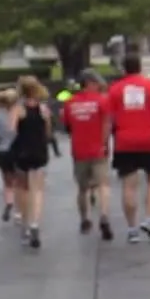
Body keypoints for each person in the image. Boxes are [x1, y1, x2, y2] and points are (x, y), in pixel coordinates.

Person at [105, 54, 150, 244]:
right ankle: (149, 219)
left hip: (124, 140)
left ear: (123, 69)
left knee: (129, 185)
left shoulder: (115, 89)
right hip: (148, 139)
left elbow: (109, 119)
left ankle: (132, 229)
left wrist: (105, 142)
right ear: (140, 67)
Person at [62, 71, 115, 240]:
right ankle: (104, 216)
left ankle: (85, 219)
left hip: (79, 151)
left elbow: (67, 126)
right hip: (98, 149)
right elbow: (107, 124)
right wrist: (104, 143)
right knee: (103, 185)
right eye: (97, 82)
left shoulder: (70, 103)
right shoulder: (102, 101)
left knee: (82, 188)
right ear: (90, 83)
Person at [8, 77, 54, 248]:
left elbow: (11, 130)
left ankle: (25, 224)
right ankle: (35, 224)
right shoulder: (43, 109)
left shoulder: (18, 109)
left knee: (23, 190)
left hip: (22, 152)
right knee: (38, 190)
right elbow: (48, 131)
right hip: (39, 151)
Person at [0, 89, 21, 223]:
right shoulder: (19, 112)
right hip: (16, 150)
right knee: (19, 181)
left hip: (1, 151)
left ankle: (9, 202)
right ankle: (18, 211)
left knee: (7, 181)